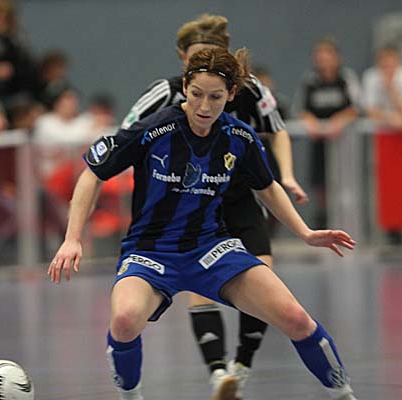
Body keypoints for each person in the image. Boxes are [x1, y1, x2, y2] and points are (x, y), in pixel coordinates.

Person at [48, 47, 358, 400]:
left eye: (215, 97)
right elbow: (92, 173)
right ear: (184, 87)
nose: (204, 106)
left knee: (296, 318)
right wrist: (72, 238)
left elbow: (267, 187)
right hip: (150, 253)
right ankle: (130, 396)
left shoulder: (240, 137)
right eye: (196, 94)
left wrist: (305, 233)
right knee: (124, 320)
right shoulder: (153, 130)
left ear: (231, 95)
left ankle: (343, 394)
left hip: (211, 250)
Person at [120, 14, 308, 398]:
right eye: (196, 59)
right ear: (183, 61)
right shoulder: (165, 94)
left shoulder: (249, 90)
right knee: (201, 285)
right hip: (192, 202)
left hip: (239, 197)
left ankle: (242, 365)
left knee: (263, 275)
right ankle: (218, 371)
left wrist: (287, 175)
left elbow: (277, 131)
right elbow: (127, 135)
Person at [293, 37, 360, 229]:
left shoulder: (346, 78)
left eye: (327, 55)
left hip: (344, 142)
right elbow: (301, 109)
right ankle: (323, 219)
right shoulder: (311, 81)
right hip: (319, 142)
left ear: (336, 57)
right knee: (320, 182)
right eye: (319, 56)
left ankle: (346, 221)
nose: (323, 60)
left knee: (343, 181)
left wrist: (338, 122)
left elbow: (356, 107)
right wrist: (313, 124)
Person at [362, 45, 402, 129]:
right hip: (379, 125)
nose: (387, 68)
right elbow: (369, 110)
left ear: (398, 62)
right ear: (378, 62)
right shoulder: (371, 76)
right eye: (384, 64)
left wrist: (392, 90)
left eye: (391, 64)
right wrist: (389, 118)